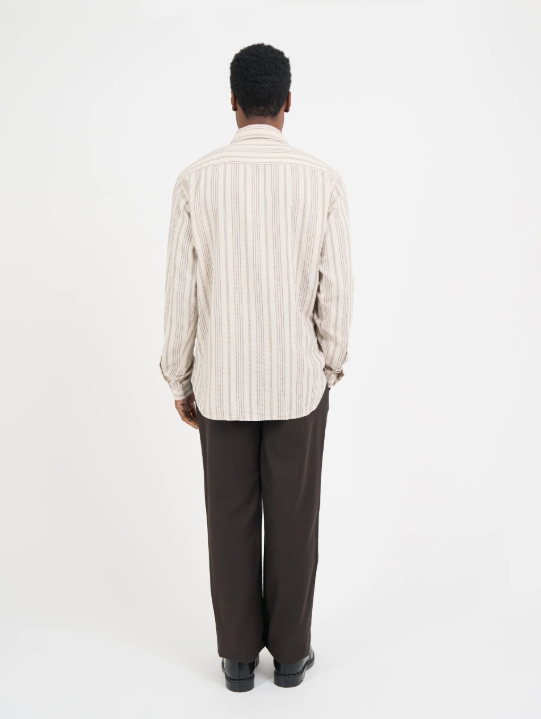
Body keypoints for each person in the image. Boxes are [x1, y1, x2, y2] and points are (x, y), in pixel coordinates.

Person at [160, 43, 353, 692]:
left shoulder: (196, 180)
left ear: (233, 102)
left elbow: (181, 291)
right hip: (298, 382)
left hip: (220, 382)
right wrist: (328, 365)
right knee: (296, 521)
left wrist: (179, 374)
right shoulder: (322, 180)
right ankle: (292, 657)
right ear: (288, 102)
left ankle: (238, 659)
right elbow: (336, 289)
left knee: (229, 518)